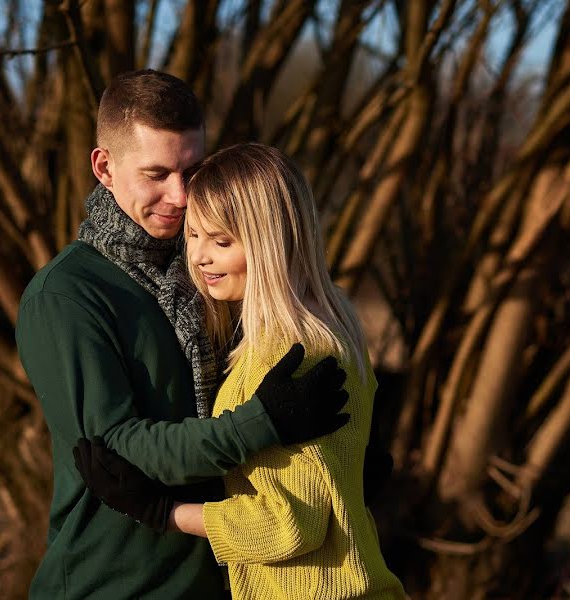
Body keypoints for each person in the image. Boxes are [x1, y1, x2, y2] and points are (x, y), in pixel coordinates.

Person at [15, 71, 350, 599]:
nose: (179, 194)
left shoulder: (211, 269)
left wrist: (342, 463)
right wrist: (262, 423)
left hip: (220, 576)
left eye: (191, 170)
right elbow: (119, 449)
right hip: (112, 583)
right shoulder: (65, 296)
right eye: (156, 173)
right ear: (104, 167)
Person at [76, 143, 405, 599]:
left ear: (271, 241)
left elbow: (287, 524)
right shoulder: (331, 323)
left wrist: (163, 512)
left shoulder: (287, 354)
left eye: (222, 241)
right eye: (193, 235)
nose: (200, 257)